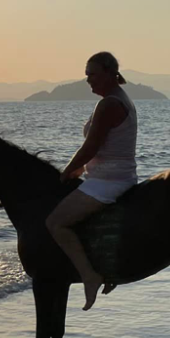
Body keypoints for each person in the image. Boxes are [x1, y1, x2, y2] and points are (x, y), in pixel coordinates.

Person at [45, 51, 138, 311]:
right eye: (87, 76)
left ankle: (89, 275)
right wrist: (81, 170)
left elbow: (91, 146)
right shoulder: (118, 99)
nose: (88, 81)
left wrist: (67, 170)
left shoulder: (109, 103)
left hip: (109, 180)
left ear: (109, 73)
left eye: (92, 75)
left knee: (56, 222)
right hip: (110, 174)